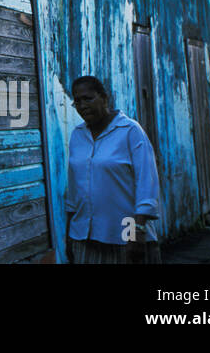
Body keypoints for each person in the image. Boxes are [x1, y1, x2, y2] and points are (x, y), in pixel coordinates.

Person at [65, 76, 161, 264]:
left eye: (88, 98)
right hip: (84, 238)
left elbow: (146, 184)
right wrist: (69, 235)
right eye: (77, 101)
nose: (82, 105)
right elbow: (73, 191)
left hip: (125, 238)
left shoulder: (130, 131)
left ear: (104, 98)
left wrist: (136, 232)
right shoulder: (77, 135)